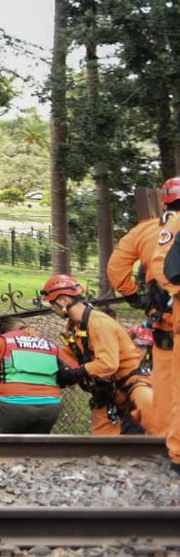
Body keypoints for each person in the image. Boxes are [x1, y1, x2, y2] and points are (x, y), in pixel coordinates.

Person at [107, 175, 180, 476]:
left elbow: (116, 268)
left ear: (165, 201)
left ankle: (166, 439)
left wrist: (133, 296)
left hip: (163, 322)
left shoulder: (148, 230)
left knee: (167, 385)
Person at [43, 273, 153, 436]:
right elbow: (72, 355)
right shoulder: (75, 326)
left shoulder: (98, 323)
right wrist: (59, 368)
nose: (53, 308)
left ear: (64, 300)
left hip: (132, 384)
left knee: (152, 419)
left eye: (53, 303)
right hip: (106, 390)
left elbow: (108, 363)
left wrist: (77, 373)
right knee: (102, 443)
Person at [0, 316, 65, 434]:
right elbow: (66, 372)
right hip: (50, 405)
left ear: (2, 332)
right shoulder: (49, 344)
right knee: (36, 447)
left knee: (3, 446)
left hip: (15, 403)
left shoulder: (2, 341)